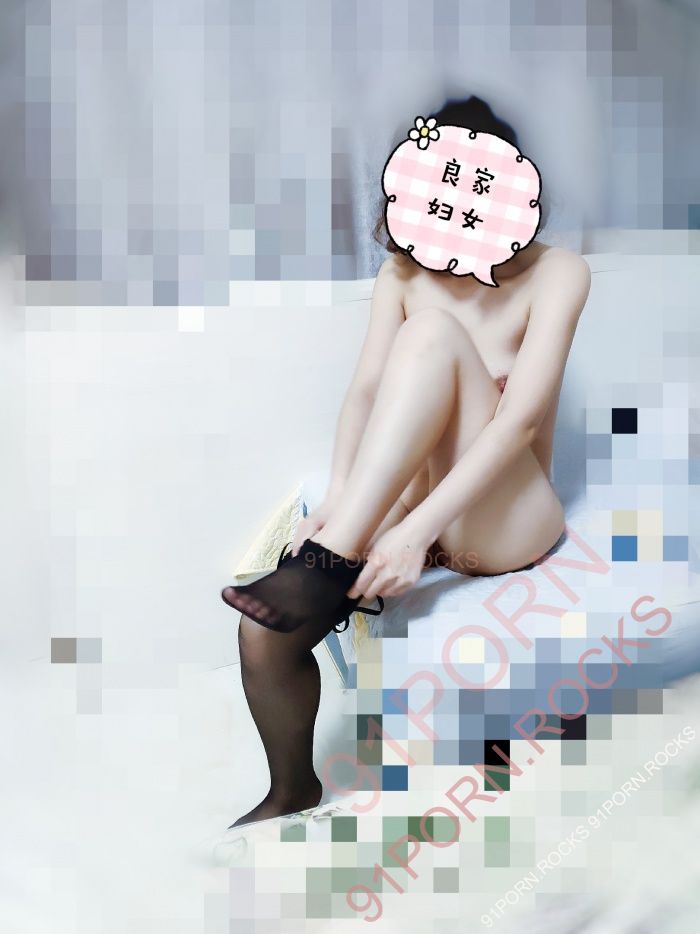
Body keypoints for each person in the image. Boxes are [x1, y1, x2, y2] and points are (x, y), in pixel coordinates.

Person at [221, 95, 591, 827]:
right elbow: (365, 393)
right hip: (416, 500)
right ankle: (291, 790)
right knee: (264, 629)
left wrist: (413, 534)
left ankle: (328, 559)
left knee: (429, 335)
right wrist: (340, 501)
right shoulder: (402, 272)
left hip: (503, 519)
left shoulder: (559, 272)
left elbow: (519, 422)